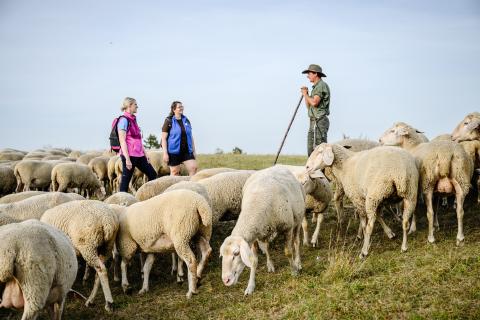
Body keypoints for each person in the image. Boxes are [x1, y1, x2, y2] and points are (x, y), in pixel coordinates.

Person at [117, 97, 157, 192]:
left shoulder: (133, 120)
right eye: (135, 105)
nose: (137, 107)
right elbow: (122, 141)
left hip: (139, 155)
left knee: (152, 174)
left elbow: (138, 139)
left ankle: (148, 195)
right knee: (125, 181)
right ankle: (121, 202)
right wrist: (127, 159)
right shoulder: (123, 120)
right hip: (129, 155)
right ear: (129, 106)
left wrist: (145, 154)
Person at [161, 101, 198, 176]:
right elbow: (163, 138)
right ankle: (175, 188)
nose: (181, 108)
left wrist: (194, 151)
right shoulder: (168, 121)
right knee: (175, 172)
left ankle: (191, 186)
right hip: (173, 152)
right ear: (174, 109)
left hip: (187, 151)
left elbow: (190, 136)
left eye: (182, 106)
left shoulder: (186, 120)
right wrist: (165, 153)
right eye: (179, 107)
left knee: (193, 168)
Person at [301, 64, 330, 156]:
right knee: (311, 151)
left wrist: (305, 95)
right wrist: (306, 95)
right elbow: (309, 107)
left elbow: (314, 102)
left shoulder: (321, 86)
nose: (307, 76)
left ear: (315, 74)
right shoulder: (316, 88)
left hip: (319, 121)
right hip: (314, 121)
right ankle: (314, 170)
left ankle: (321, 170)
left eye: (309, 73)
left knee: (318, 151)